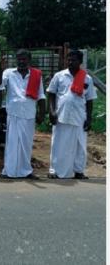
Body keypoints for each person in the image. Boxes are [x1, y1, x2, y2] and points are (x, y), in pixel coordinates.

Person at [0, 49, 45, 179]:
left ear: (29, 59)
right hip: (13, 113)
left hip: (29, 113)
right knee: (12, 143)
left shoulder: (36, 74)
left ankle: (26, 171)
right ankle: (9, 171)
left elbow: (41, 95)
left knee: (26, 144)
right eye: (19, 59)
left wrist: (42, 113)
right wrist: (0, 70)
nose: (21, 61)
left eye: (24, 59)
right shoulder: (8, 73)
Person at [47, 50, 97, 179]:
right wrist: (52, 112)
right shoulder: (59, 76)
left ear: (80, 62)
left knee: (80, 144)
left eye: (73, 60)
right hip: (61, 114)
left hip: (79, 116)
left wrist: (89, 118)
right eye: (68, 59)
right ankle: (54, 170)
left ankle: (78, 170)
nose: (70, 62)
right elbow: (51, 93)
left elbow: (90, 99)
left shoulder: (87, 78)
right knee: (58, 143)